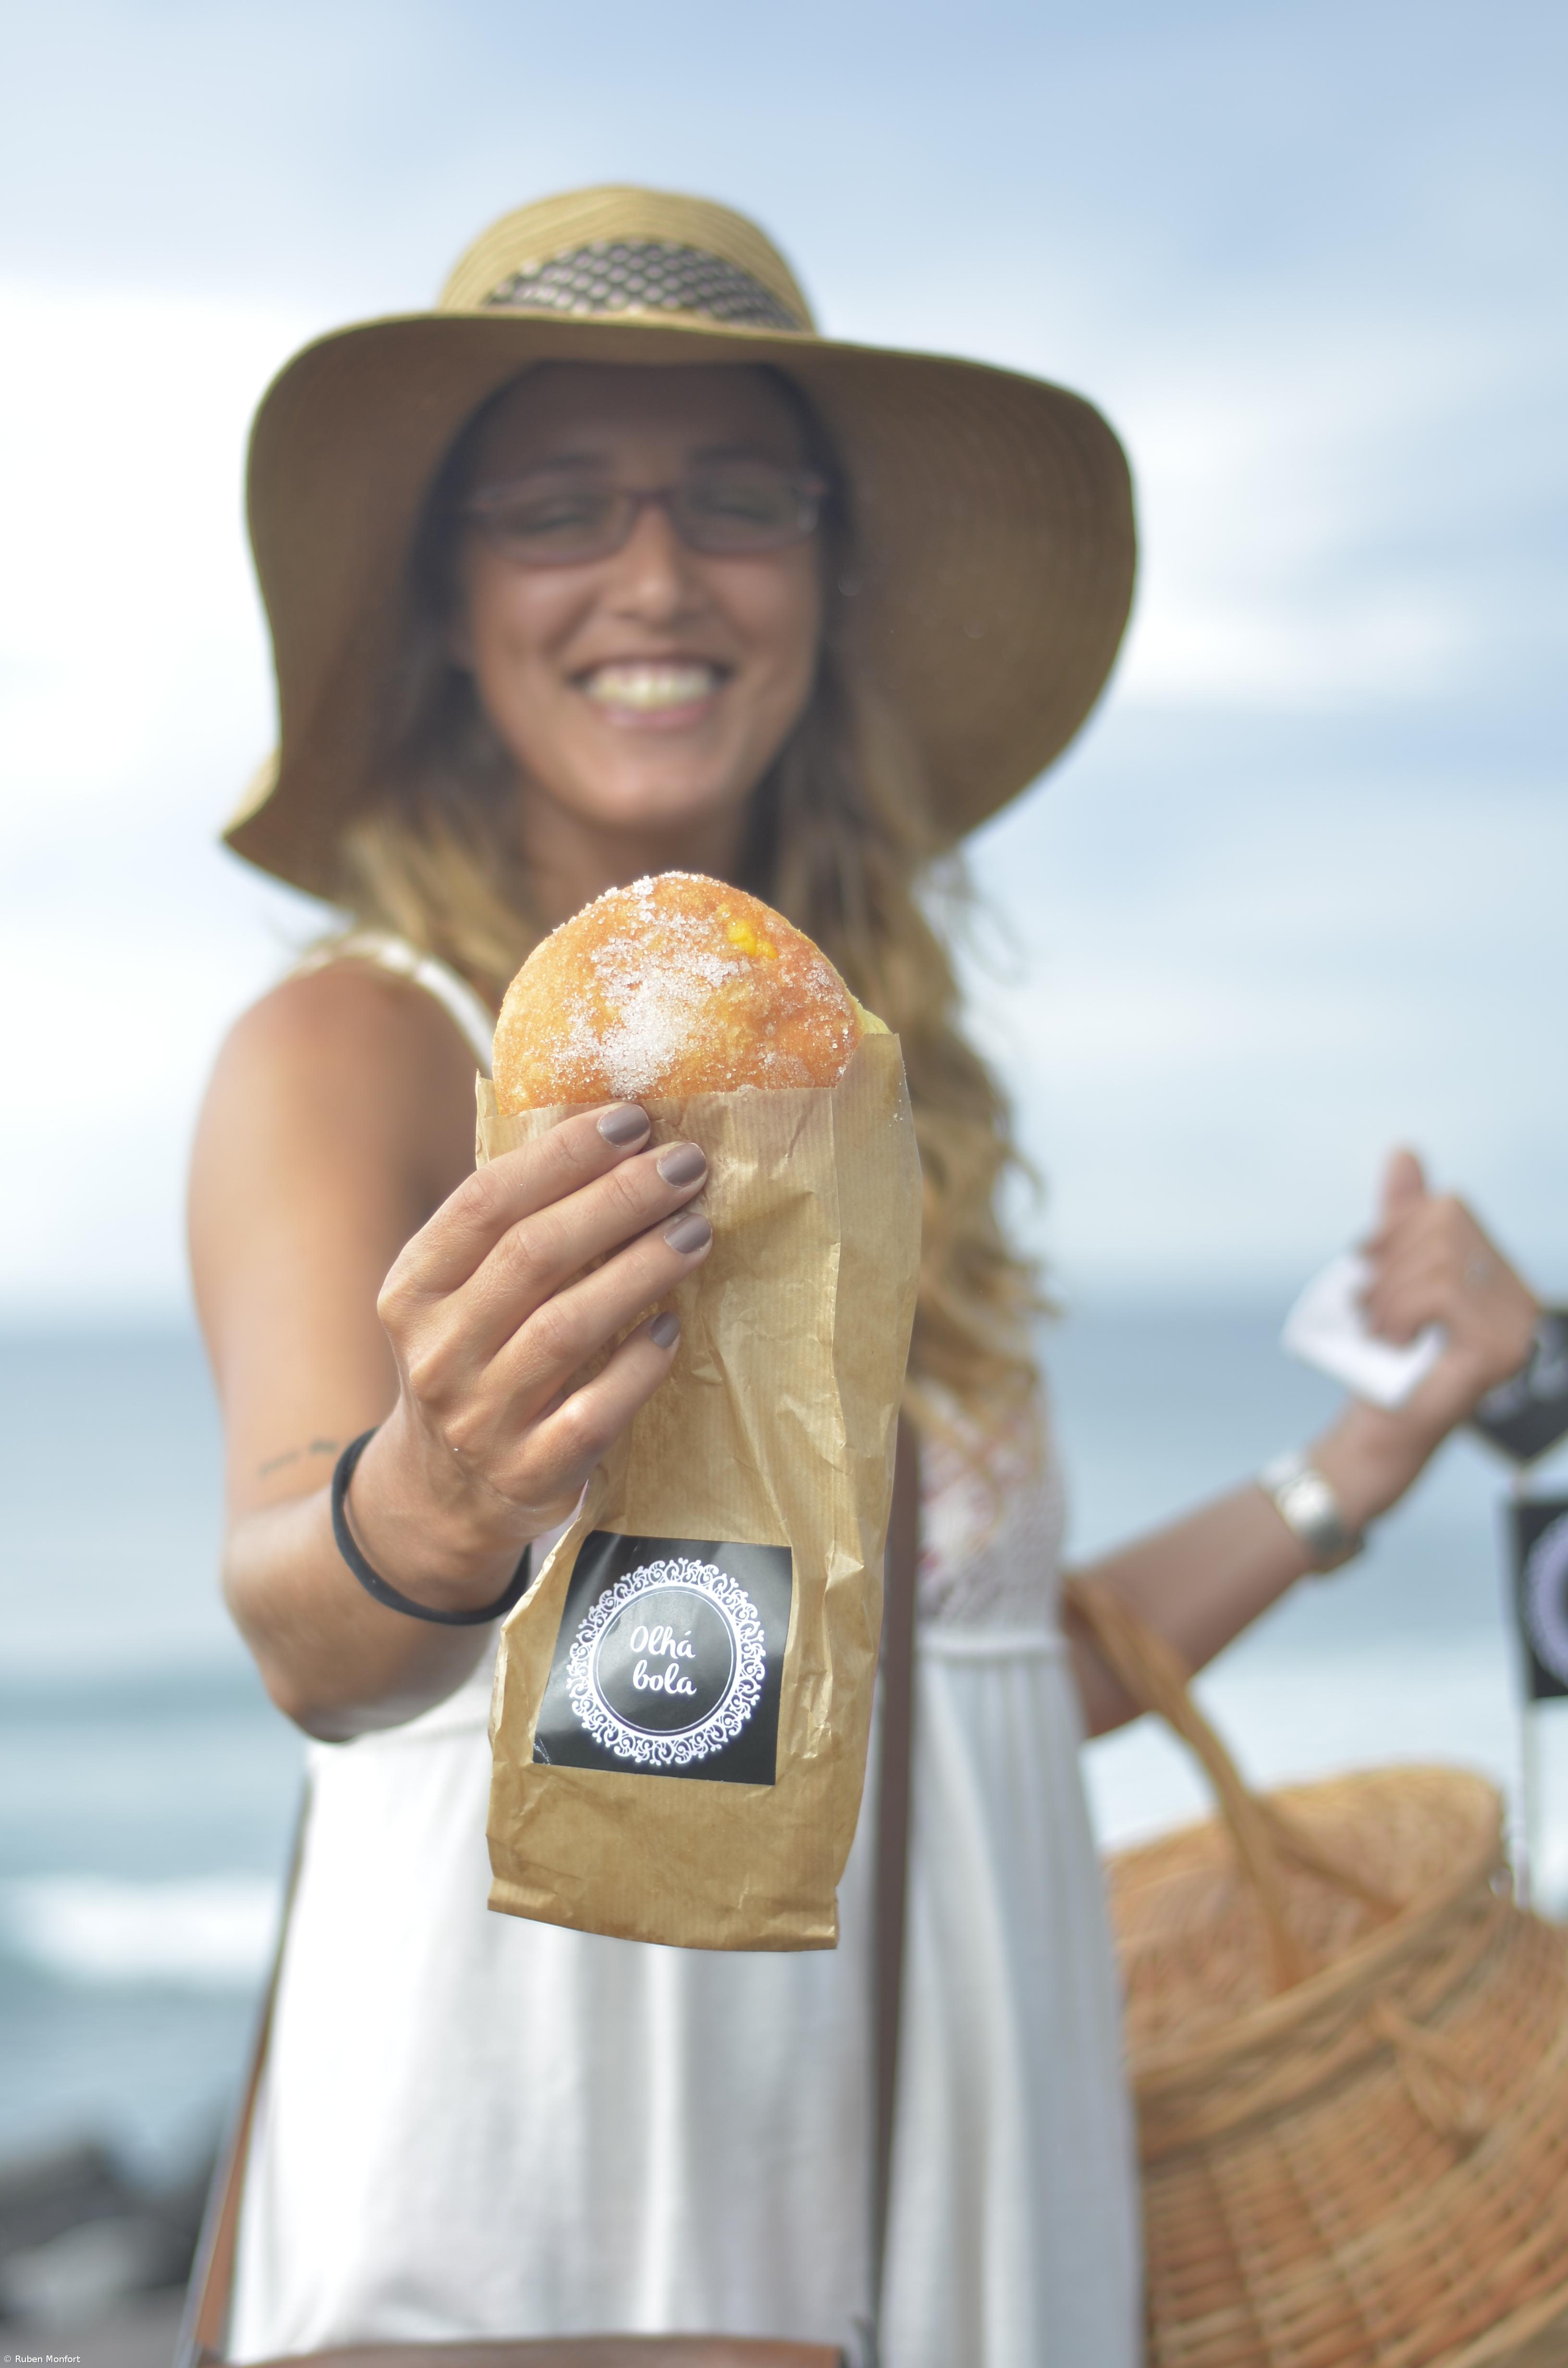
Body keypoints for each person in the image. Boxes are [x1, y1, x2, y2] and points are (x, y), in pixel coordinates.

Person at [188, 186, 1543, 2368]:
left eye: (738, 497)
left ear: (826, 578)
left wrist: (1357, 1461)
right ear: (447, 597)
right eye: (559, 505)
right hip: (573, 2180)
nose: (656, 572)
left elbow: (965, 1674)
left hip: (958, 2155)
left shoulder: (876, 1087)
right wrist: (436, 1491)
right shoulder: (367, 1040)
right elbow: (302, 1623)